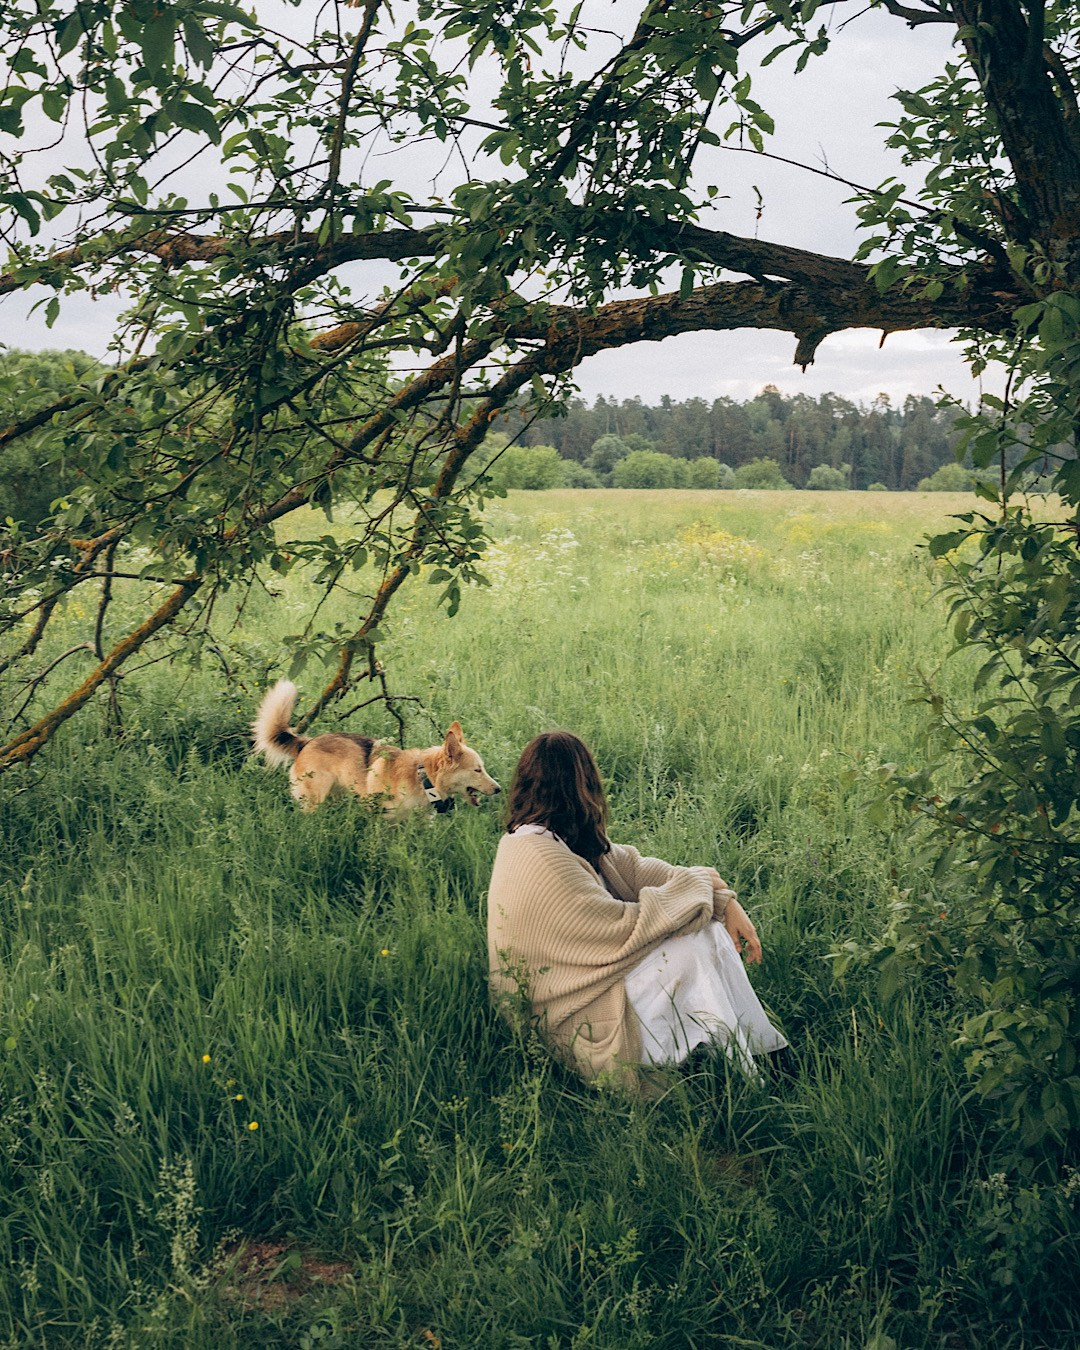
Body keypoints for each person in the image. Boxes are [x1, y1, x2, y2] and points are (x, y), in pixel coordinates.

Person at [487, 730, 788, 1090]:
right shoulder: (536, 854)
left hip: (591, 983)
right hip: (569, 1013)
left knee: (704, 931)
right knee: (689, 952)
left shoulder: (560, 837)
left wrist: (725, 902)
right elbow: (621, 928)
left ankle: (760, 1056)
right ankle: (745, 1077)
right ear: (582, 784)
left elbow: (645, 871)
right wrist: (704, 887)